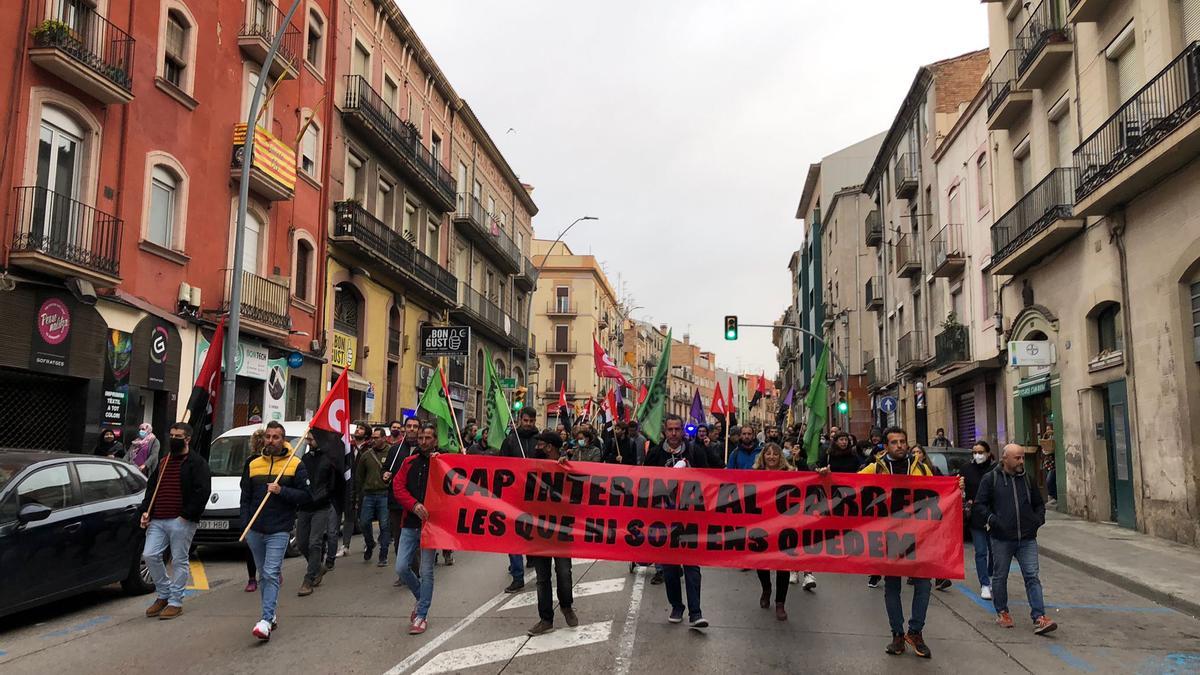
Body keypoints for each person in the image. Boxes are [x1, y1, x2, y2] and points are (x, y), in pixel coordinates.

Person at [859, 426, 937, 658]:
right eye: (894, 442)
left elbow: (936, 494)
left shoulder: (922, 468)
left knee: (923, 585)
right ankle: (896, 634)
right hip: (889, 537)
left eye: (902, 441)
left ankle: (915, 632)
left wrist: (957, 488)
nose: (900, 446)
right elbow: (849, 484)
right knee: (892, 586)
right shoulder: (875, 468)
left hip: (918, 536)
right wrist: (825, 476)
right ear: (885, 446)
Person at [975, 443, 1057, 635]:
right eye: (1017, 458)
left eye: (1022, 457)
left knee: (1032, 576)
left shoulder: (1027, 479)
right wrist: (993, 520)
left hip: (1027, 539)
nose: (1021, 461)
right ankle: (1002, 612)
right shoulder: (991, 479)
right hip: (1002, 539)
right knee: (1000, 576)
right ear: (1005, 459)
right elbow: (980, 505)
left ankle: (1039, 617)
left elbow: (1039, 504)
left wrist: (1037, 520)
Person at [240, 421, 311, 640]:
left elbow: (306, 496)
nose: (271, 440)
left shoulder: (295, 464)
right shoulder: (252, 463)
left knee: (270, 573)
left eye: (276, 437)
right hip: (255, 529)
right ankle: (270, 616)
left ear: (284, 440)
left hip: (279, 529)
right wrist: (246, 522)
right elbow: (245, 496)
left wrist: (282, 491)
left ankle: (265, 619)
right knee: (264, 575)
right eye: (268, 436)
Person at [140, 422, 211, 621]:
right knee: (150, 554)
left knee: (179, 560)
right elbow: (152, 489)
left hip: (182, 520)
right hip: (158, 519)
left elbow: (202, 492)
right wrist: (146, 510)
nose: (173, 438)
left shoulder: (196, 463)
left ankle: (175, 601)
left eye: (177, 436)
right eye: (171, 434)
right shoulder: (164, 461)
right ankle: (163, 594)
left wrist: (186, 515)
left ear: (187, 439)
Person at [644, 415, 708, 629]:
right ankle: (676, 607)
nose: (673, 433)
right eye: (670, 429)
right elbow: (644, 482)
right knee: (670, 568)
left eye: (677, 429)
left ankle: (696, 613)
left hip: (690, 518)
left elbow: (710, 478)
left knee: (692, 566)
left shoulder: (695, 452)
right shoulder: (654, 454)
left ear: (683, 431)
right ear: (664, 431)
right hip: (663, 520)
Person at [526, 431, 578, 636]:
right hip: (540, 529)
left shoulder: (567, 466)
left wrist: (566, 467)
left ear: (549, 447)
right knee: (542, 577)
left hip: (563, 529)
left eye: (540, 444)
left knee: (564, 572)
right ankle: (545, 619)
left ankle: (566, 606)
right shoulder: (532, 466)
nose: (536, 446)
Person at [393, 424, 440, 635]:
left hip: (433, 526)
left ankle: (422, 615)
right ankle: (422, 598)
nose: (423, 441)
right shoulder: (408, 462)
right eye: (420, 437)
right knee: (402, 567)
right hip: (410, 523)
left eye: (427, 437)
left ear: (435, 440)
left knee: (426, 571)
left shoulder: (442, 463)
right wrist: (414, 505)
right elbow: (398, 487)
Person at [752, 443, 795, 620]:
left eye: (775, 454)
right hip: (761, 524)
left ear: (780, 457)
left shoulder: (790, 474)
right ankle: (766, 588)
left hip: (784, 524)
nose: (771, 457)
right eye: (768, 454)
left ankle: (780, 603)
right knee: (761, 561)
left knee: (782, 564)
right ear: (763, 456)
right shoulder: (755, 475)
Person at [500, 406, 540, 592]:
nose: (528, 424)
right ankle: (517, 576)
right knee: (513, 536)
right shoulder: (510, 441)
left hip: (536, 496)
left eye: (531, 421)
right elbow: (501, 466)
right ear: (520, 420)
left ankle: (533, 558)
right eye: (525, 421)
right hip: (514, 495)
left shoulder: (540, 441)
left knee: (534, 534)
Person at [296, 431, 337, 597]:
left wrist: (325, 496)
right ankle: (318, 567)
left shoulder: (329, 460)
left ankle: (308, 579)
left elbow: (333, 484)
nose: (308, 441)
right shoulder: (304, 460)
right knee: (301, 543)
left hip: (321, 507)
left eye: (311, 439)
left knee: (315, 543)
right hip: (304, 506)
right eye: (307, 438)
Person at [961, 440, 997, 600]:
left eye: (981, 452)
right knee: (981, 551)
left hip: (994, 517)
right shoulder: (966, 469)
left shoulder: (996, 469)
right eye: (974, 452)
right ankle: (984, 584)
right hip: (976, 517)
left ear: (988, 453)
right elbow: (960, 491)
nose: (977, 455)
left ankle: (991, 577)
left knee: (995, 552)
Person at [355, 426, 392, 567]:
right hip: (369, 494)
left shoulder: (390, 453)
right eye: (373, 438)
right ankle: (370, 543)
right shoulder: (366, 455)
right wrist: (358, 496)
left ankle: (383, 555)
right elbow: (359, 477)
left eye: (377, 437)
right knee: (364, 522)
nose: (374, 440)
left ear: (384, 438)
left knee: (384, 525)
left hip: (384, 494)